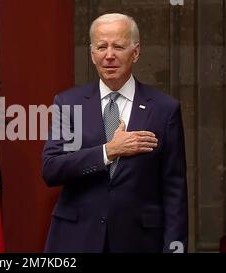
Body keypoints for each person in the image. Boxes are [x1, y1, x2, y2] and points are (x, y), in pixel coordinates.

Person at [42, 13, 188, 253]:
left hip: (139, 241)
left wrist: (175, 249)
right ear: (92, 54)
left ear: (136, 52)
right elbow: (52, 168)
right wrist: (108, 151)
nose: (109, 55)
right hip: (77, 239)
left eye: (118, 46)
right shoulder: (69, 104)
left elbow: (174, 190)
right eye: (101, 47)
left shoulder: (164, 109)